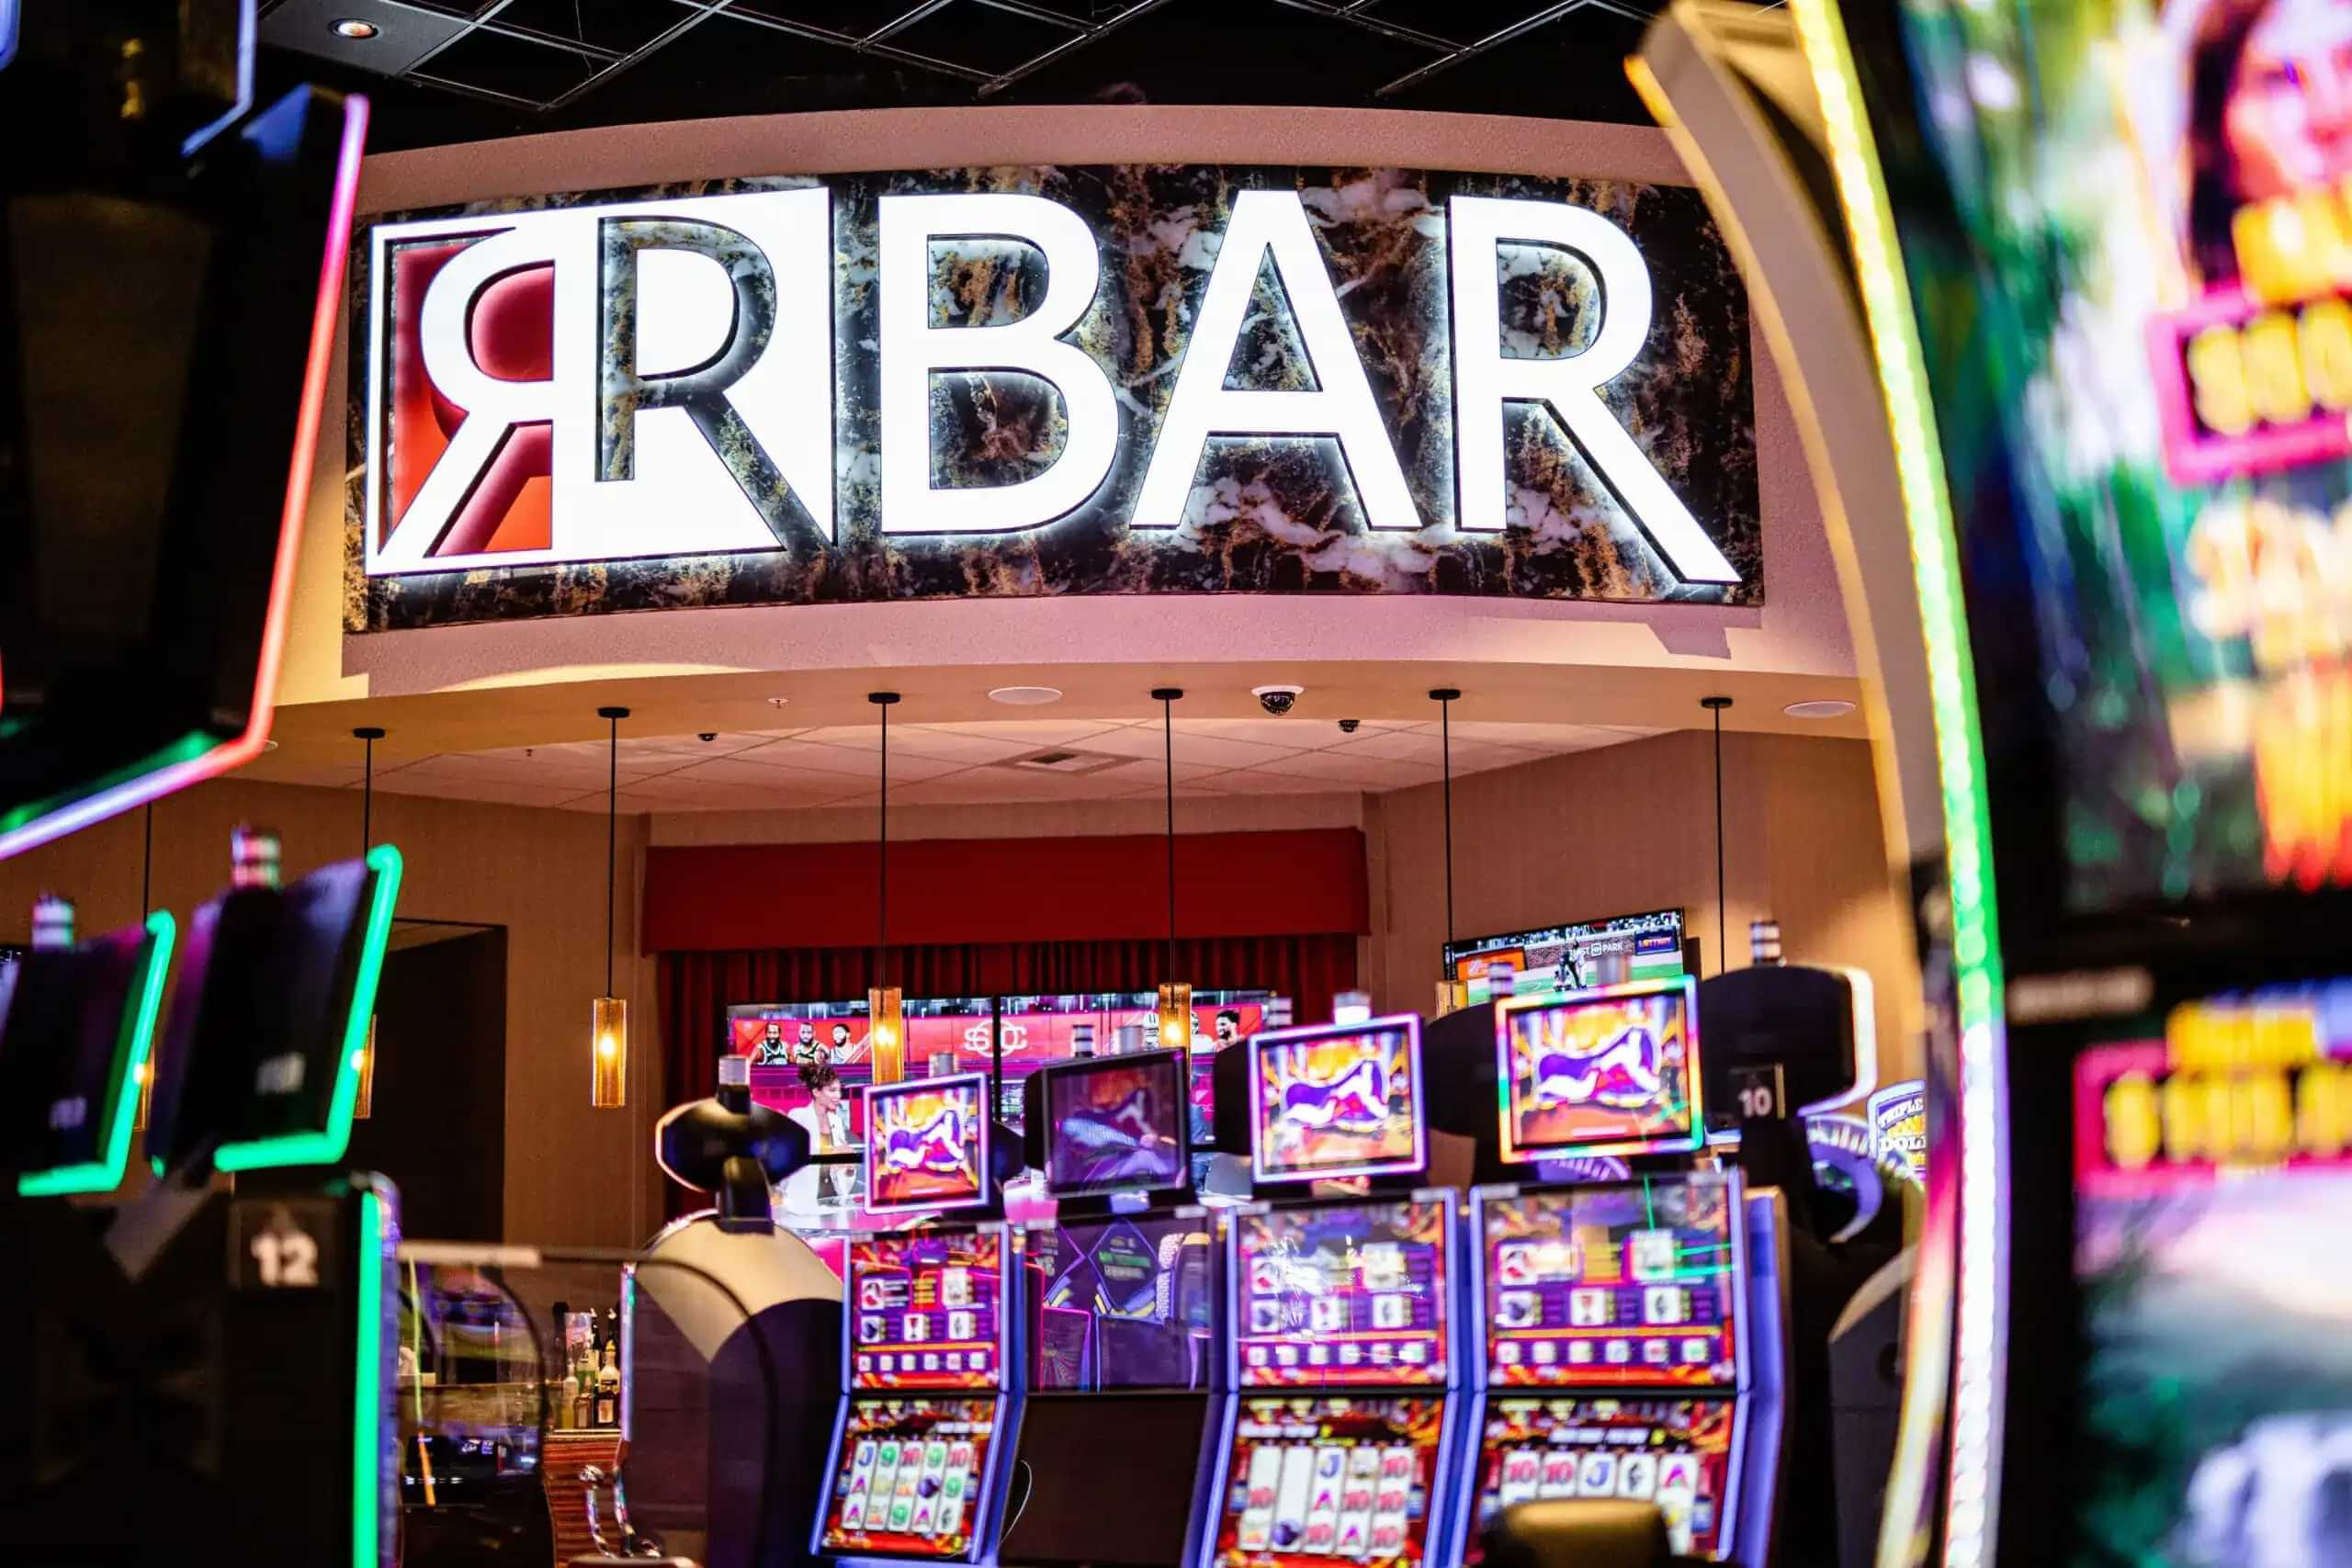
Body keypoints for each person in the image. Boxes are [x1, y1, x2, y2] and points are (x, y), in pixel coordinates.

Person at [780, 1062, 856, 1219]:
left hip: (834, 1209)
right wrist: (829, 1156)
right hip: (804, 1209)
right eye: (832, 1090)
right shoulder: (798, 1116)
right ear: (816, 1092)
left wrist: (849, 1167)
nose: (838, 1096)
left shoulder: (836, 1122)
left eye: (839, 1091)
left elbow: (843, 1182)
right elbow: (788, 1164)